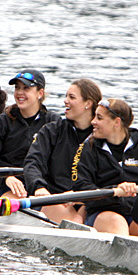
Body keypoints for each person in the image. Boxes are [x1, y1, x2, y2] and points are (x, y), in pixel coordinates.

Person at [74, 98, 138, 237]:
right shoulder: (89, 148)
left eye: (99, 118)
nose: (93, 122)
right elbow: (80, 186)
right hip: (103, 212)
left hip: (136, 212)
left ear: (117, 122)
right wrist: (116, 192)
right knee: (117, 223)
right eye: (94, 117)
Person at [24, 79, 102, 223]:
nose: (65, 101)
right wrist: (38, 186)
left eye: (71, 97)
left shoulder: (102, 136)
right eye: (66, 96)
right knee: (76, 221)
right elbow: (32, 163)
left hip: (88, 201)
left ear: (88, 103)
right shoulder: (52, 131)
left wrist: (84, 197)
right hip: (55, 198)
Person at [0, 69, 61, 198]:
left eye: (26, 88)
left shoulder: (53, 122)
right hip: (4, 186)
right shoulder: (3, 121)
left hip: (40, 187)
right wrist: (5, 178)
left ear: (40, 93)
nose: (20, 93)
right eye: (17, 88)